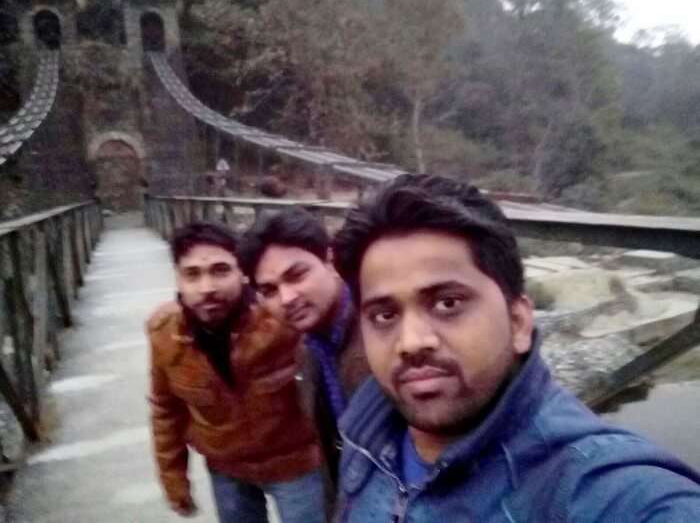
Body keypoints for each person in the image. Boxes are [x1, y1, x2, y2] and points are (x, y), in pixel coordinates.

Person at [331, 174, 700, 522]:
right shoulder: (367, 426)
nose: (411, 342)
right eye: (384, 315)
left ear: (519, 322)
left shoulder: (595, 485)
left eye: (448, 303)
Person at [147, 222, 325, 523]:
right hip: (226, 470)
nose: (207, 288)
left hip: (298, 466)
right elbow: (166, 409)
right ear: (177, 278)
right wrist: (174, 479)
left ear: (242, 273)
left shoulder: (282, 319)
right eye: (193, 274)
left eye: (220, 270)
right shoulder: (164, 334)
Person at [240, 208, 369, 484]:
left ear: (330, 261)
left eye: (297, 275)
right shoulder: (309, 350)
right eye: (269, 291)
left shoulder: (378, 333)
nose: (286, 298)